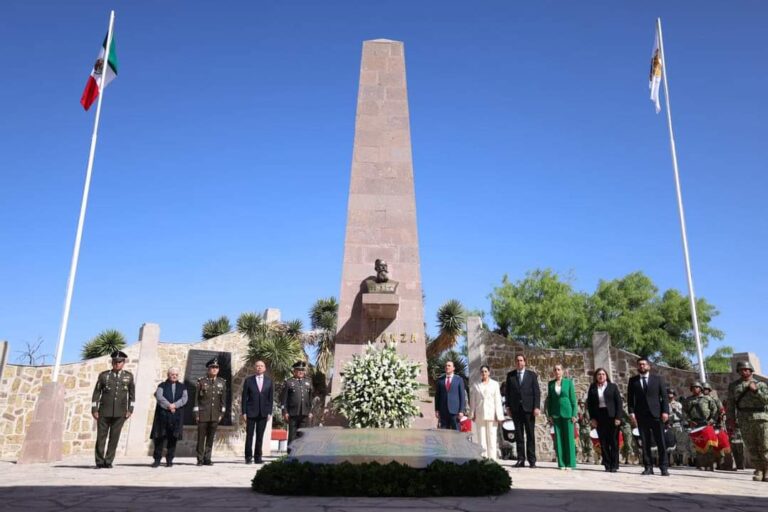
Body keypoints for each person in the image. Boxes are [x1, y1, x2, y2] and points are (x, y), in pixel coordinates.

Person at [91, 350, 135, 469]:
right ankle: (99, 461)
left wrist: (130, 409)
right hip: (104, 412)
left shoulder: (128, 376)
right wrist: (94, 409)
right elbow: (96, 393)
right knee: (101, 438)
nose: (117, 364)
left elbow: (132, 395)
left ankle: (108, 460)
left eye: (120, 362)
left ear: (123, 363)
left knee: (114, 438)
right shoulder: (104, 376)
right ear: (112, 362)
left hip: (120, 413)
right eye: (115, 362)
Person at [626, 357, 670, 476]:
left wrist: (665, 411)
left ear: (648, 366)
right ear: (637, 367)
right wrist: (631, 412)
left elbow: (664, 397)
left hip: (657, 414)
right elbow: (630, 398)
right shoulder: (633, 381)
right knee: (645, 443)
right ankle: (648, 467)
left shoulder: (658, 379)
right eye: (639, 364)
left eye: (644, 364)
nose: (642, 366)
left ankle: (663, 467)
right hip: (641, 415)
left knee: (661, 441)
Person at [727, 360, 768, 482]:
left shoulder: (760, 384)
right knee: (751, 446)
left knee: (765, 445)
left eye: (746, 369)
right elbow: (730, 404)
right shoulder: (734, 386)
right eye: (741, 370)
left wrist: (756, 391)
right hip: (744, 418)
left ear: (751, 370)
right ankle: (759, 469)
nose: (743, 372)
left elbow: (766, 400)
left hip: (760, 417)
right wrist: (731, 419)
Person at [505, 354, 541, 468]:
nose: (519, 362)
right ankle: (521, 459)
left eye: (521, 360)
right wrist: (508, 407)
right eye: (517, 361)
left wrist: (536, 407)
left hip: (529, 409)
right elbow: (507, 393)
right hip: (516, 410)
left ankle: (532, 460)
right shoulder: (510, 376)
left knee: (530, 435)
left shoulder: (531, 375)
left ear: (525, 362)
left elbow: (537, 392)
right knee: (519, 435)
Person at [150, 367, 188, 467]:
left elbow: (184, 399)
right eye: (172, 374)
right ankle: (157, 460)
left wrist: (175, 405)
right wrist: (169, 406)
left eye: (176, 374)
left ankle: (169, 459)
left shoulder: (182, 387)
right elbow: (159, 397)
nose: (174, 376)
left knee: (173, 438)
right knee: (159, 438)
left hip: (176, 416)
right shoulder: (161, 385)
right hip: (162, 416)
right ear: (168, 375)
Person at [587, 367, 623, 472]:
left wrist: (618, 417)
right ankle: (607, 464)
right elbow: (590, 404)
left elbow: (619, 403)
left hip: (612, 416)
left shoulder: (613, 387)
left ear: (606, 376)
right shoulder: (593, 388)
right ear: (596, 377)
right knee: (603, 442)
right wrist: (592, 418)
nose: (601, 376)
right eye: (599, 374)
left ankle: (614, 464)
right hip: (600, 416)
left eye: (603, 374)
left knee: (614, 441)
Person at [194, 357, 227, 466]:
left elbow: (223, 400)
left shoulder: (222, 382)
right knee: (201, 438)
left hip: (215, 415)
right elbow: (196, 399)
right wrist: (196, 413)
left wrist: (221, 414)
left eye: (216, 367)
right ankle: (199, 459)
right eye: (212, 367)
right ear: (208, 369)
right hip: (203, 414)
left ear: (218, 369)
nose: (214, 369)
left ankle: (207, 458)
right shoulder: (201, 381)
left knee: (210, 438)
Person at [545, 364, 577, 470]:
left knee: (569, 438)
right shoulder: (550, 384)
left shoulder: (568, 383)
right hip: (556, 414)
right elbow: (549, 401)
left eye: (559, 369)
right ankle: (562, 463)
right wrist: (549, 415)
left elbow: (573, 400)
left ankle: (570, 463)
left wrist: (574, 414)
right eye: (555, 370)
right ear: (553, 372)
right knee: (558, 439)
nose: (557, 371)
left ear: (562, 371)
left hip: (568, 414)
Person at [470, 365, 504, 460]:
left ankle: (492, 460)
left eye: (485, 371)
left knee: (492, 439)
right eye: (482, 371)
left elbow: (498, 400)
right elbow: (473, 400)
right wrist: (472, 413)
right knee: (481, 439)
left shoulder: (495, 384)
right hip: (480, 414)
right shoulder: (476, 385)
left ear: (489, 372)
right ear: (480, 373)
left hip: (492, 415)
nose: (484, 373)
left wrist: (499, 415)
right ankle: (483, 459)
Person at [242, 360, 273, 464]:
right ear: (254, 368)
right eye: (257, 366)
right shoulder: (248, 380)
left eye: (261, 366)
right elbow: (244, 397)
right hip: (250, 412)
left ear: (264, 368)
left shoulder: (269, 381)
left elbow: (270, 398)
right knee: (249, 435)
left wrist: (269, 412)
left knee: (260, 436)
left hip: (263, 413)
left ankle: (258, 457)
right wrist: (244, 412)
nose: (259, 367)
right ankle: (248, 457)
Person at [685, 381, 718, 471]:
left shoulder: (707, 399)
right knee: (698, 445)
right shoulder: (688, 400)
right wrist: (689, 421)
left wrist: (711, 421)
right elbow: (684, 412)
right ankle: (701, 464)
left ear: (701, 389)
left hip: (707, 424)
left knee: (709, 445)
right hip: (695, 424)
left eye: (697, 387)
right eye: (693, 387)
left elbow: (715, 410)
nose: (695, 389)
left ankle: (710, 464)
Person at [281, 361, 313, 446]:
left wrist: (310, 411)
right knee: (292, 435)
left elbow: (310, 399)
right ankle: (290, 455)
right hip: (293, 413)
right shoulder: (289, 382)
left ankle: (300, 455)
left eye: (302, 370)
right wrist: (285, 412)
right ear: (294, 371)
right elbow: (284, 399)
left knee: (302, 435)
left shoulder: (308, 382)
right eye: (298, 370)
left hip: (304, 413)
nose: (301, 372)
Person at [435, 360, 467, 430]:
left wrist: (461, 410)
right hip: (443, 411)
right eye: (446, 366)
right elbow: (437, 396)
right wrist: (437, 410)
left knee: (456, 433)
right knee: (443, 433)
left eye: (449, 366)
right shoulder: (440, 380)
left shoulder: (459, 380)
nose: (447, 367)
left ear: (453, 368)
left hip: (455, 412)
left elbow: (462, 396)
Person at [576, 399, 592, 463]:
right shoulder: (578, 411)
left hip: (588, 428)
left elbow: (589, 419)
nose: (582, 404)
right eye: (580, 403)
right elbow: (577, 419)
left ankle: (589, 457)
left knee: (589, 444)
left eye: (583, 403)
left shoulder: (588, 410)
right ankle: (584, 456)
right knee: (582, 444)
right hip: (581, 428)